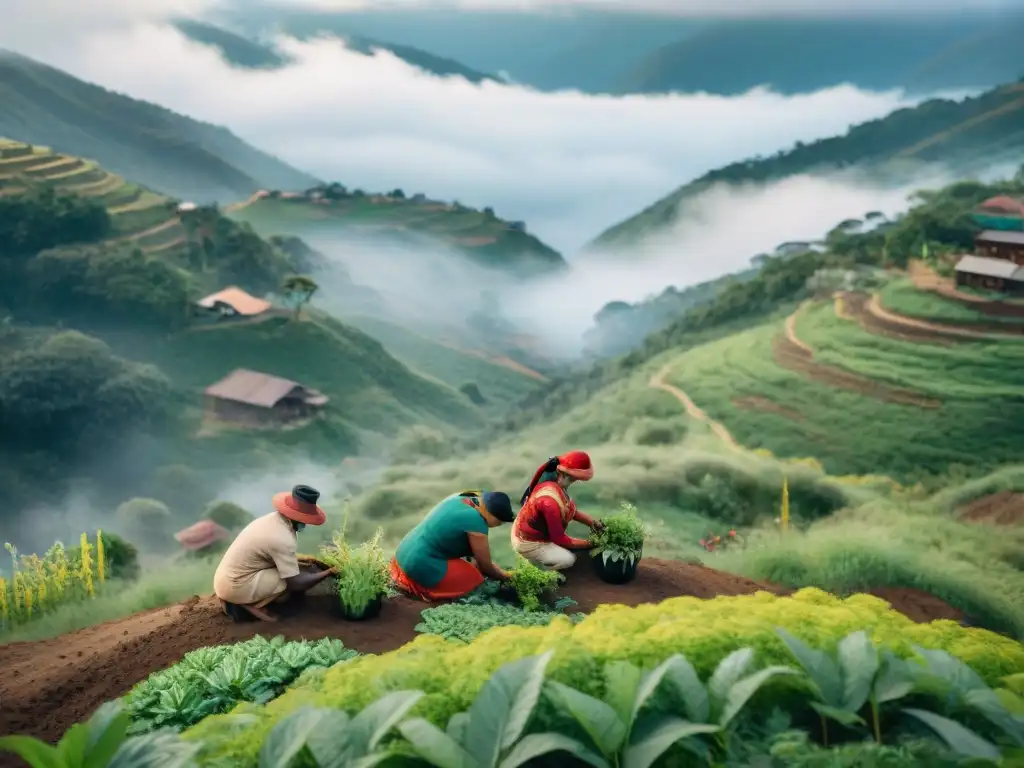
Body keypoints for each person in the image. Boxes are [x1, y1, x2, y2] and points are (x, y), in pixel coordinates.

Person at [213, 485, 335, 622]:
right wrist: (328, 573)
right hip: (236, 585)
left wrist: (310, 562)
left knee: (302, 568)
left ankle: (246, 597)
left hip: (226, 578)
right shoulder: (282, 538)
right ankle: (249, 605)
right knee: (285, 582)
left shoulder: (272, 520)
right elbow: (296, 583)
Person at [390, 490, 514, 601]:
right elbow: (485, 566)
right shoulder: (476, 522)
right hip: (418, 565)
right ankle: (425, 589)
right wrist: (507, 576)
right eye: (500, 521)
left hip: (403, 552)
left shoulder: (461, 497)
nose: (500, 524)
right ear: (490, 514)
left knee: (470, 564)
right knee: (474, 578)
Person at [511, 451, 605, 571]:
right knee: (568, 560)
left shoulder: (555, 483)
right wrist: (591, 543)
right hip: (528, 541)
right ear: (562, 473)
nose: (575, 481)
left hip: (525, 525)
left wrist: (592, 522)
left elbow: (571, 510)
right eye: (573, 479)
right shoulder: (549, 502)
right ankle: (540, 572)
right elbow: (560, 539)